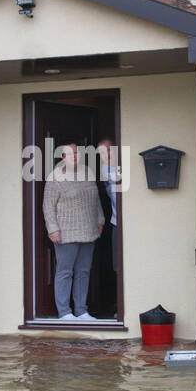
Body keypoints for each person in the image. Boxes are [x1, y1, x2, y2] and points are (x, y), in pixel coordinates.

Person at [43, 142, 104, 321]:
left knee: (83, 271)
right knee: (65, 272)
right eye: (70, 154)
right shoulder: (55, 177)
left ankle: (81, 311)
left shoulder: (88, 173)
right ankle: (64, 312)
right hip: (65, 232)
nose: (75, 156)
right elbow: (48, 206)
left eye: (77, 153)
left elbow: (95, 198)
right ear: (63, 157)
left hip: (89, 230)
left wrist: (100, 219)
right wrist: (53, 229)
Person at [96, 137, 120, 273]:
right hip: (115, 220)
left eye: (109, 150)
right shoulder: (104, 168)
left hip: (130, 221)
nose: (107, 155)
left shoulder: (123, 164)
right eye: (102, 153)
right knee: (117, 265)